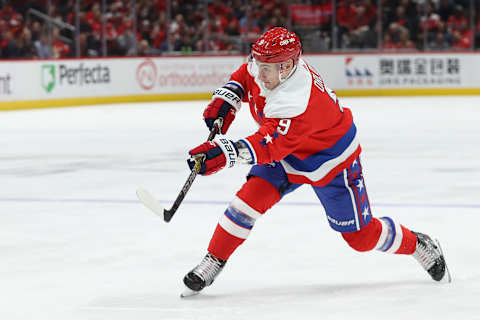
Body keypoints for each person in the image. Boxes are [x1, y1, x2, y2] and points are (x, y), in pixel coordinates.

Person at [181, 27, 451, 297]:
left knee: (361, 238)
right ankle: (214, 259)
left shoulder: (298, 99)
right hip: (286, 153)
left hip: (331, 162)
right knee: (245, 203)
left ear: (287, 67)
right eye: (258, 64)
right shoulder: (270, 65)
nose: (258, 73)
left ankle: (418, 244)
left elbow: (268, 146)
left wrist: (223, 152)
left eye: (267, 69)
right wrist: (227, 97)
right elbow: (245, 75)